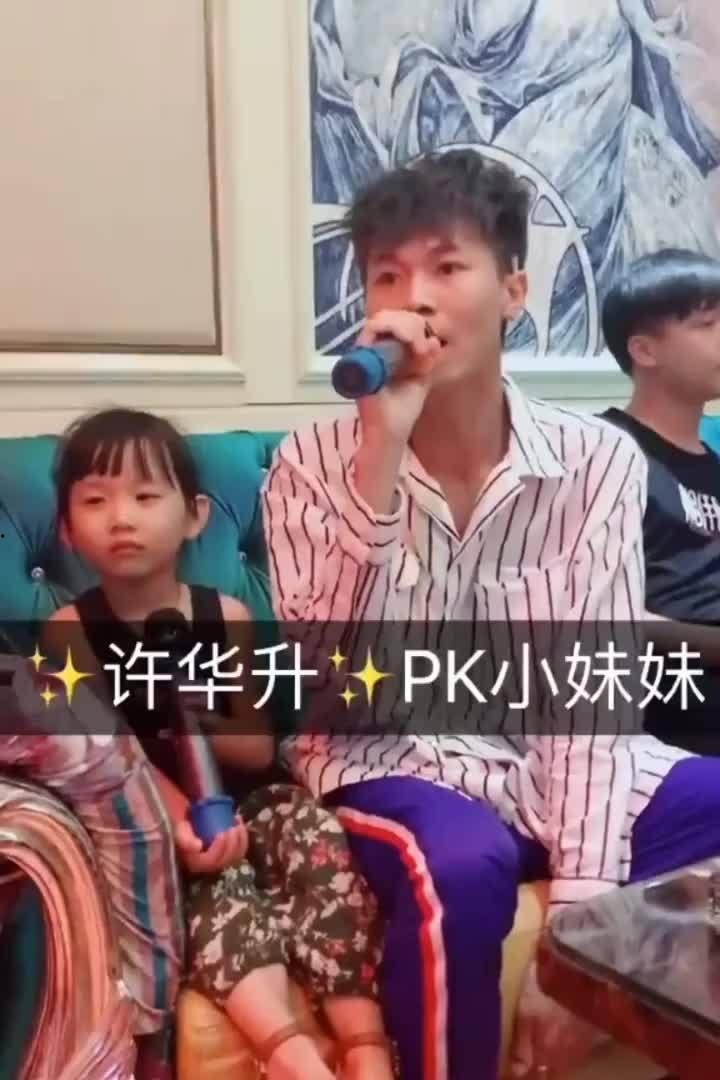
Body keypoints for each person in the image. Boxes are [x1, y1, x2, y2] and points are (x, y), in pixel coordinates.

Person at [263, 148, 720, 1080]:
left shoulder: (595, 462)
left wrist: (579, 949)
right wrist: (379, 458)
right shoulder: (311, 462)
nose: (414, 299)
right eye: (387, 276)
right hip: (387, 753)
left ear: (513, 289)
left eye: (446, 266)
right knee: (462, 866)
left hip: (544, 755)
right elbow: (334, 683)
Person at [43, 408, 394, 1080]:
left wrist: (203, 716)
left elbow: (257, 752)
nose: (122, 518)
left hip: (245, 798)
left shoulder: (224, 617)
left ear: (194, 515)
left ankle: (365, 1044)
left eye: (146, 496)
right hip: (151, 820)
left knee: (313, 833)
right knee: (213, 887)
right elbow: (107, 758)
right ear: (66, 528)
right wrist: (183, 822)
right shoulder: (70, 632)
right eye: (95, 501)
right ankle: (291, 1054)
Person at [601, 247, 720, 754]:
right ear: (645, 351)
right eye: (708, 324)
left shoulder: (713, 462)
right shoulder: (604, 453)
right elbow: (591, 614)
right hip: (673, 704)